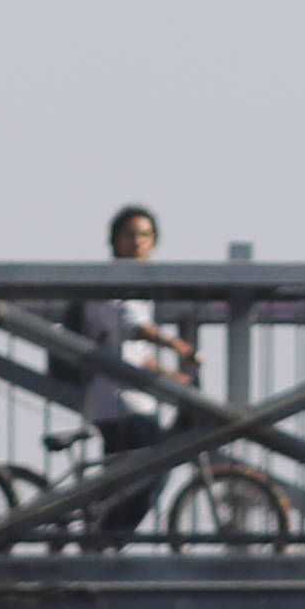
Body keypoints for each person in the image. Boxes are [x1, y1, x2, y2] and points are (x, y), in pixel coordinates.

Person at [62, 204, 196, 543]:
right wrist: (177, 345)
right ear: (115, 240)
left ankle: (103, 542)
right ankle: (106, 541)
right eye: (130, 234)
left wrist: (173, 377)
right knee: (153, 472)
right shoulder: (110, 283)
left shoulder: (137, 286)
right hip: (119, 402)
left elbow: (137, 355)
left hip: (130, 401)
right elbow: (132, 327)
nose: (137, 242)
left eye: (145, 235)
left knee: (127, 482)